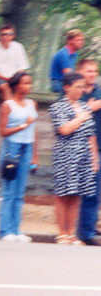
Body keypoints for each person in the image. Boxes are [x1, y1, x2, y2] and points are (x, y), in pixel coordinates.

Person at [49, 72, 99, 245]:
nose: (80, 90)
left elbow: (91, 135)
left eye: (82, 87)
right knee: (63, 194)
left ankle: (71, 233)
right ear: (66, 87)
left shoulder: (85, 107)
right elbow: (64, 130)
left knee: (77, 194)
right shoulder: (58, 107)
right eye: (77, 86)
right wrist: (79, 118)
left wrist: (94, 159)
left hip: (83, 154)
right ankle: (62, 233)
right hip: (66, 153)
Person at [0, 71, 38, 242]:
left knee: (20, 192)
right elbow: (3, 131)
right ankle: (5, 230)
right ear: (16, 85)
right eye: (24, 83)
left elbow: (34, 130)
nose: (27, 86)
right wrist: (22, 125)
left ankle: (16, 229)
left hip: (27, 146)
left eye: (29, 83)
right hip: (11, 148)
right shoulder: (8, 105)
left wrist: (34, 155)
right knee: (9, 190)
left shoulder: (31, 104)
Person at [76, 59, 101, 245]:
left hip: (97, 146)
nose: (92, 74)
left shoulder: (98, 92)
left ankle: (89, 230)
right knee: (77, 191)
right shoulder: (75, 92)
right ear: (80, 72)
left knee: (94, 192)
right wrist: (89, 107)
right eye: (88, 71)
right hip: (77, 145)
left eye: (94, 71)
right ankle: (77, 231)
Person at [50, 29, 86, 94]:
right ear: (70, 41)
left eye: (82, 40)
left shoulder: (74, 54)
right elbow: (69, 75)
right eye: (78, 40)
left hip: (66, 82)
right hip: (58, 84)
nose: (81, 42)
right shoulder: (63, 54)